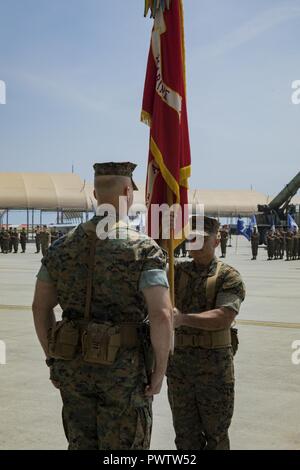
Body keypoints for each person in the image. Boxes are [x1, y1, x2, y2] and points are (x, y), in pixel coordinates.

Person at [32, 162, 172, 450]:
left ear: (95, 194)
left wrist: (53, 359)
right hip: (124, 371)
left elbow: (39, 308)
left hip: (72, 365)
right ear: (126, 191)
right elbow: (161, 314)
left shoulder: (60, 247)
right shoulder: (143, 249)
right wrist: (159, 373)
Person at [167, 216, 245, 450]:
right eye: (191, 238)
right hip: (180, 369)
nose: (195, 243)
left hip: (214, 369)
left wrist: (181, 319)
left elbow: (223, 317)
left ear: (216, 240)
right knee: (184, 437)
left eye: (202, 239)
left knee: (216, 436)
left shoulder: (227, 276)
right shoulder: (175, 273)